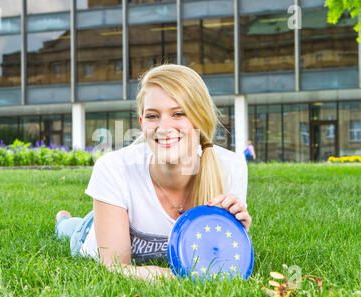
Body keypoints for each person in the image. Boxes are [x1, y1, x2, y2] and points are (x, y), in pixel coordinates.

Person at [55, 64, 252, 281]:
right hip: (90, 229)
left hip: (120, 212)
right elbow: (115, 269)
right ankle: (63, 220)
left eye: (178, 113)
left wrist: (236, 230)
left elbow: (223, 259)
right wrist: (181, 277)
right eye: (152, 116)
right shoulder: (112, 168)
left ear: (200, 118)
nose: (164, 127)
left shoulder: (231, 166)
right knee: (70, 229)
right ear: (141, 122)